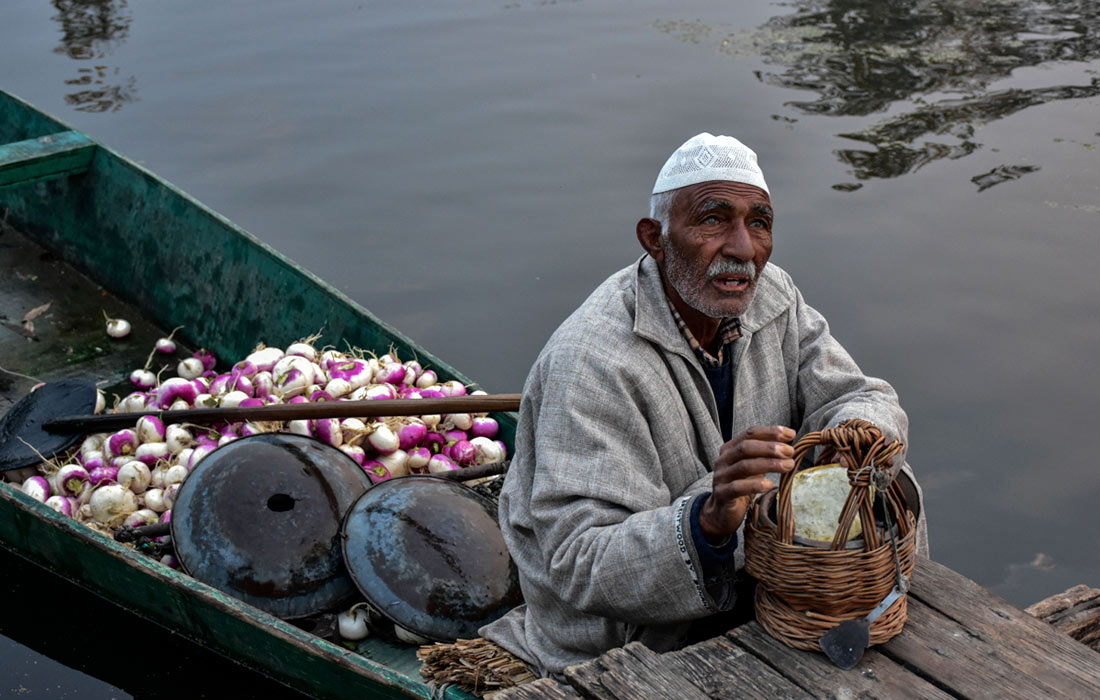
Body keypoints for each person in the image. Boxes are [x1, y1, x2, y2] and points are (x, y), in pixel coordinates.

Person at [480, 132, 928, 678]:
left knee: (885, 471)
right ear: (656, 239)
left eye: (758, 223)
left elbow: (858, 396)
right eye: (714, 220)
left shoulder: (772, 295)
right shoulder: (591, 361)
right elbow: (579, 562)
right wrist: (710, 520)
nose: (743, 248)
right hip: (637, 640)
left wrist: (854, 443)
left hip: (771, 583)